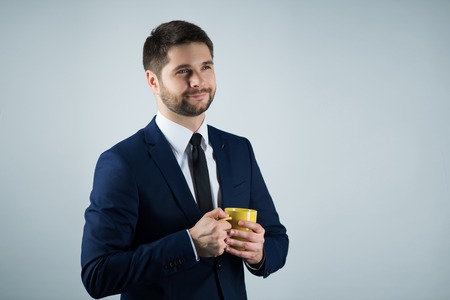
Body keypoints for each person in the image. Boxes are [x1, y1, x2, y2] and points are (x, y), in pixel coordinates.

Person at [81, 20, 289, 300]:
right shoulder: (122, 163)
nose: (198, 81)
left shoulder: (239, 149)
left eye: (206, 67)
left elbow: (277, 239)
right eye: (183, 71)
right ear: (153, 81)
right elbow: (98, 275)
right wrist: (189, 245)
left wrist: (260, 253)